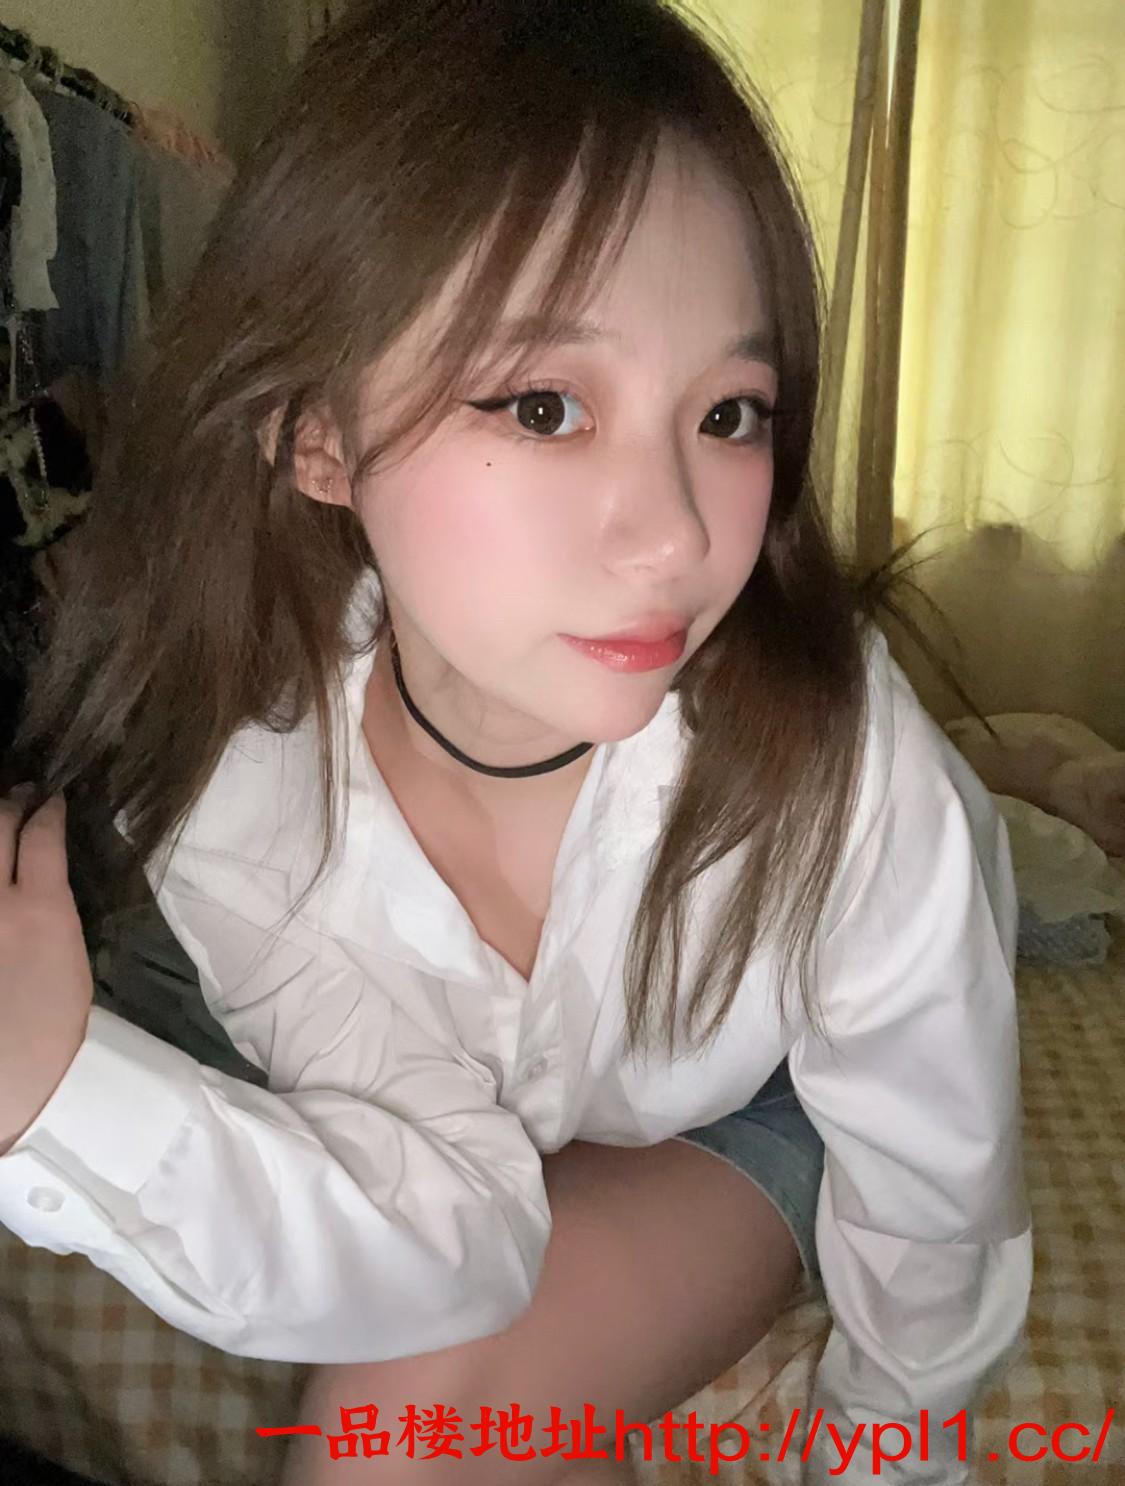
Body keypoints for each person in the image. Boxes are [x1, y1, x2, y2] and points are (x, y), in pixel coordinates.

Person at [0, 2, 1031, 1482]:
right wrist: (50, 1094)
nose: (676, 534)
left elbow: (939, 1184)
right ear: (318, 435)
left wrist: (887, 1449)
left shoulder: (836, 764)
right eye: (547, 406)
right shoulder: (244, 795)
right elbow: (451, 1226)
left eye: (729, 413)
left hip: (776, 1100)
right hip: (507, 1118)